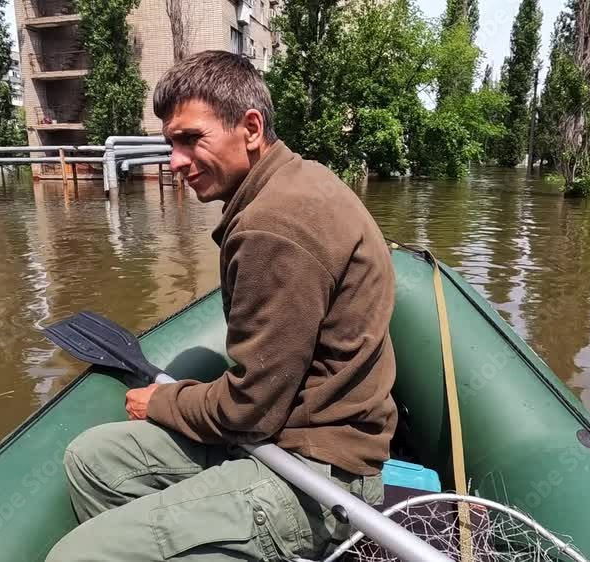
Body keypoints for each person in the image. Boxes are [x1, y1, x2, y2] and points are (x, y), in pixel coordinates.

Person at [46, 50, 398, 562]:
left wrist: (163, 402)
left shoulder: (272, 226)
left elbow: (251, 408)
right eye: (170, 143)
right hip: (285, 431)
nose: (175, 162)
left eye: (191, 139)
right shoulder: (295, 179)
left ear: (251, 128)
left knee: (74, 557)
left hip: (321, 473)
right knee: (92, 460)